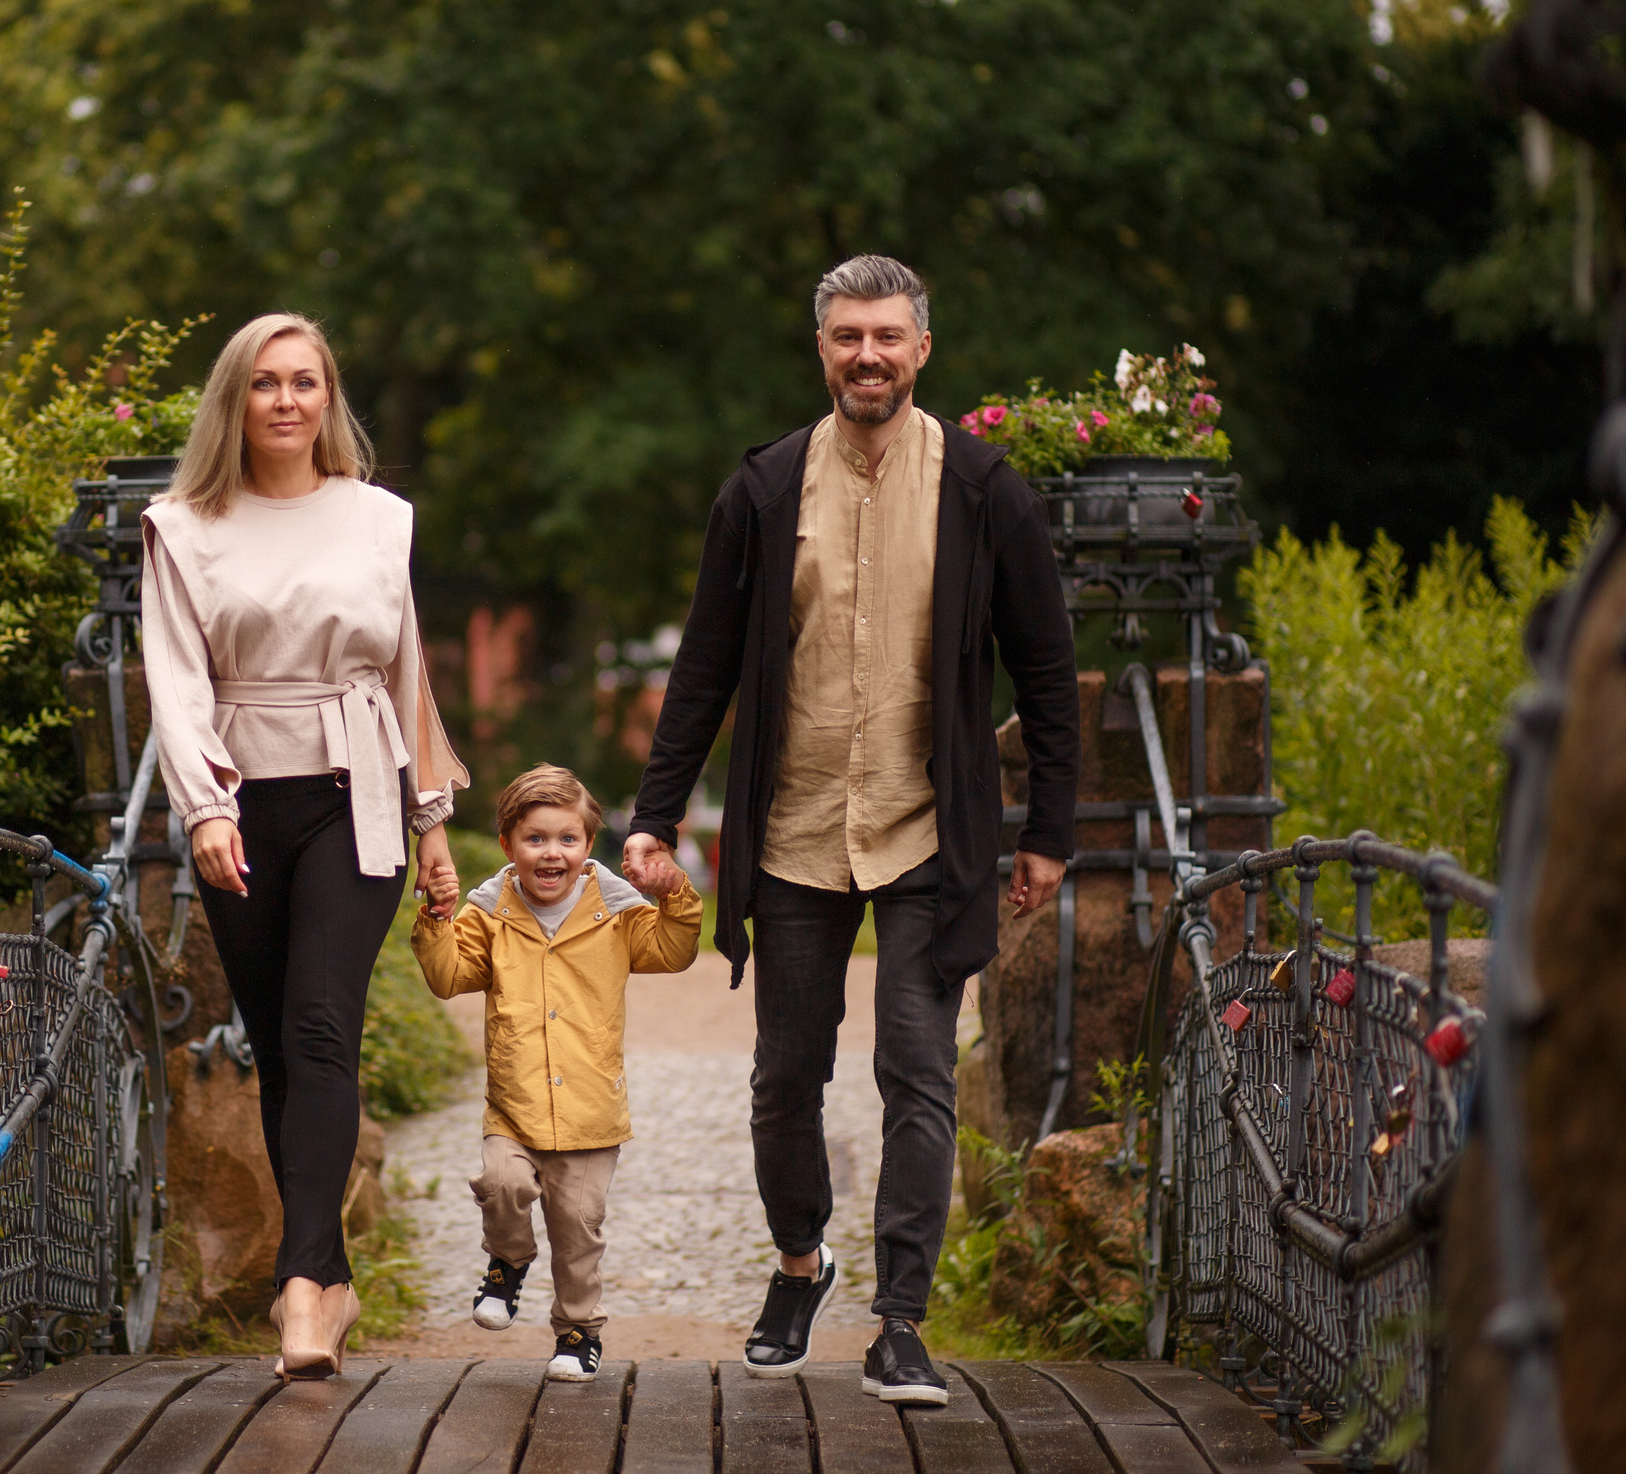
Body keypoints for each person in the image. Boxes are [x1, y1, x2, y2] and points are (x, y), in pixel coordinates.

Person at [618, 255, 1078, 1406]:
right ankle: (797, 1265)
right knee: (783, 1076)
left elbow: (1049, 671)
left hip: (931, 831)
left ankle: (902, 1320)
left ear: (923, 348)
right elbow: (705, 666)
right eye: (844, 337)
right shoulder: (766, 488)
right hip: (792, 830)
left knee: (916, 1071)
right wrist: (654, 814)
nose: (865, 355)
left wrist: (1048, 832)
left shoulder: (985, 489)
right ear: (819, 349)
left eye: (886, 336)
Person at [140, 312, 469, 1381]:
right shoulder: (183, 527)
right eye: (266, 383)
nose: (287, 400)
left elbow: (409, 670)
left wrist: (432, 826)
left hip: (356, 793)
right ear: (235, 400)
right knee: (281, 1046)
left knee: (322, 1026)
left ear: (330, 399)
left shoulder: (379, 519)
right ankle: (327, 1281)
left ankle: (298, 1286)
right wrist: (206, 809)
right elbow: (176, 681)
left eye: (307, 382)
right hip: (243, 799)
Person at [411, 764, 702, 1382]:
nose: (552, 853)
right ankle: (507, 1261)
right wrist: (436, 919)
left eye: (567, 840)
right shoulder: (489, 913)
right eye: (535, 839)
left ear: (587, 846)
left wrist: (675, 893)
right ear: (508, 847)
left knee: (578, 1232)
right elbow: (448, 977)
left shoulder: (618, 916)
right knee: (502, 1185)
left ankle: (577, 1333)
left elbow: (675, 952)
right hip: (513, 1107)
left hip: (592, 1112)